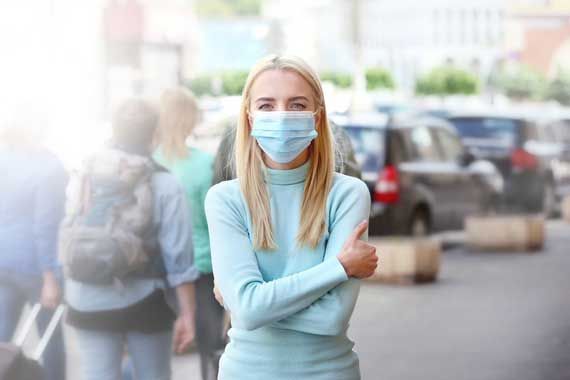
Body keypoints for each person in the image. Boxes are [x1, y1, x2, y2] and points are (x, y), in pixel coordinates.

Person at [204, 54, 378, 379]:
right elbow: (247, 311)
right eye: (267, 105)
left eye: (297, 105)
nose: (282, 115)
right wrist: (337, 268)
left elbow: (332, 318)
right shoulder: (225, 199)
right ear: (250, 118)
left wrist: (247, 303)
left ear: (317, 116)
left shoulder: (347, 194)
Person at [63, 98, 199, 380]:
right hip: (145, 299)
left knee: (98, 375)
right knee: (154, 375)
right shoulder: (165, 182)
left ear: (113, 129)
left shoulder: (86, 173)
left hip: (85, 294)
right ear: (155, 134)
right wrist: (188, 314)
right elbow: (179, 260)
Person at [154, 87, 226, 380]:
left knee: (158, 350)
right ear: (190, 120)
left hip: (160, 267)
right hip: (203, 265)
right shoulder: (203, 164)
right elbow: (216, 221)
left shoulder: (149, 163)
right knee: (210, 347)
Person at [0, 109, 68, 380]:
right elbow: (45, 227)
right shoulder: (49, 167)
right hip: (35, 267)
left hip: (3, 260)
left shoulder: (4, 158)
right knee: (50, 339)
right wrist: (50, 277)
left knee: (2, 341)